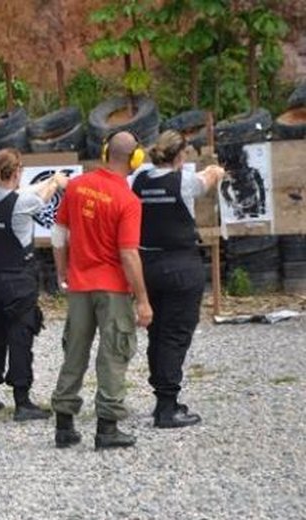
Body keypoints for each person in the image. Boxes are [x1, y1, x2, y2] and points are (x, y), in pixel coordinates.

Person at [50, 131, 153, 450]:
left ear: (106, 152)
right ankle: (107, 429)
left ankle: (64, 427)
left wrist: (62, 272)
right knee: (113, 355)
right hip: (112, 291)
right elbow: (128, 254)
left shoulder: (77, 186)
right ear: (135, 159)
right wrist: (144, 301)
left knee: (74, 353)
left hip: (79, 286)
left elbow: (58, 234)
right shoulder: (128, 201)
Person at [131, 130, 225, 428]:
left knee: (157, 333)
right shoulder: (184, 181)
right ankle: (167, 407)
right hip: (180, 264)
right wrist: (216, 169)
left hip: (147, 264)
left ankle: (162, 397)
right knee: (176, 334)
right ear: (180, 156)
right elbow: (208, 179)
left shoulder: (139, 180)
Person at [0, 148, 68, 421]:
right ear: (16, 172)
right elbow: (40, 197)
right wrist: (55, 182)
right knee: (20, 338)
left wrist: (50, 178)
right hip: (16, 280)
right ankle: (22, 400)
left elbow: (22, 191)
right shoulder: (22, 203)